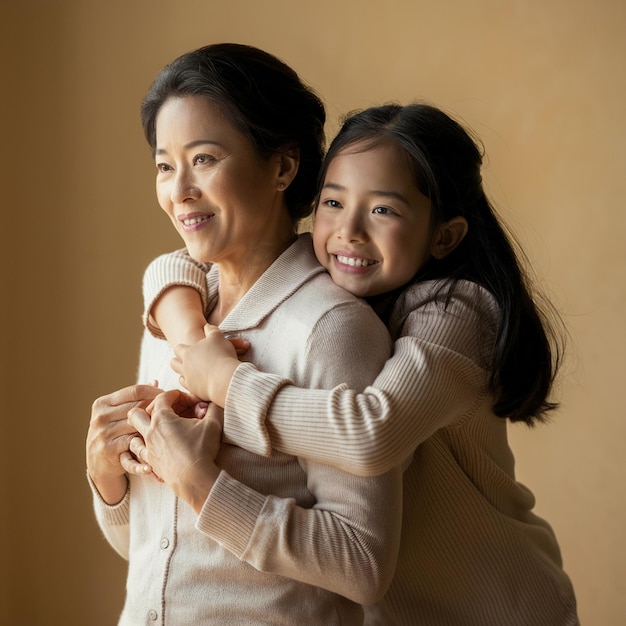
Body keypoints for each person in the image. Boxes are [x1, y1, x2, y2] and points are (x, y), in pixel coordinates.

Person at [141, 103, 579, 624]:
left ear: (445, 236)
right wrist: (191, 335)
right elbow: (176, 264)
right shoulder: (333, 293)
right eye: (333, 201)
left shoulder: (457, 314)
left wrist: (228, 384)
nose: (348, 232)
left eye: (383, 211)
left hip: (499, 608)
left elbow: (371, 435)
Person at [86, 43, 405, 625]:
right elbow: (158, 553)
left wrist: (200, 482)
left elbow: (364, 565)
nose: (179, 190)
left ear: (283, 167)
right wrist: (107, 478)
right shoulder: (171, 315)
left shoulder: (331, 328)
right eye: (164, 165)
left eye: (203, 159)